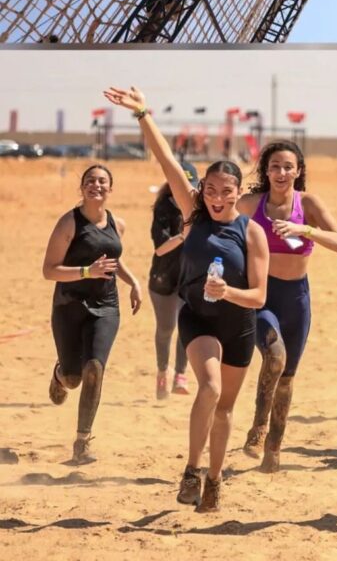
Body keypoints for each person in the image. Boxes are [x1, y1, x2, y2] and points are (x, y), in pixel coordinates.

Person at [102, 85, 269, 513]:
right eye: (210, 189)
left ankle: (215, 478)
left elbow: (259, 296)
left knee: (226, 408)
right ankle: (192, 470)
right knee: (208, 387)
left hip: (239, 327)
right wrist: (143, 114)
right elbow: (167, 161)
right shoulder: (193, 214)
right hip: (198, 319)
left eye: (225, 191)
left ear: (237, 192)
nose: (216, 198)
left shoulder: (251, 232)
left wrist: (228, 290)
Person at [238, 141, 337, 472]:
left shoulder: (308, 203)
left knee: (287, 377)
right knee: (274, 357)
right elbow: (218, 225)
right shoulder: (249, 205)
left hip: (297, 299)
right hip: (263, 296)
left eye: (288, 167)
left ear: (298, 171)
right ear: (265, 171)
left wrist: (304, 229)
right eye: (275, 166)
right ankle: (258, 427)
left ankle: (274, 447)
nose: (281, 173)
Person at [42, 164, 142, 464]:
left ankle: (82, 442)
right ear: (82, 187)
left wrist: (134, 282)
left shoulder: (117, 223)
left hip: (106, 306)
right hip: (69, 305)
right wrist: (87, 271)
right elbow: (49, 270)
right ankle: (60, 374)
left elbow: (113, 261)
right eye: (90, 181)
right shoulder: (68, 223)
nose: (96, 185)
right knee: (74, 377)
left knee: (95, 368)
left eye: (102, 182)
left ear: (110, 189)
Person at [149, 163, 200, 398]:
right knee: (166, 327)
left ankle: (181, 374)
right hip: (164, 278)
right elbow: (160, 249)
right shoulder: (163, 208)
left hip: (188, 278)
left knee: (186, 326)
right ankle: (162, 372)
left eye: (190, 183)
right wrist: (183, 235)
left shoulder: (200, 208)